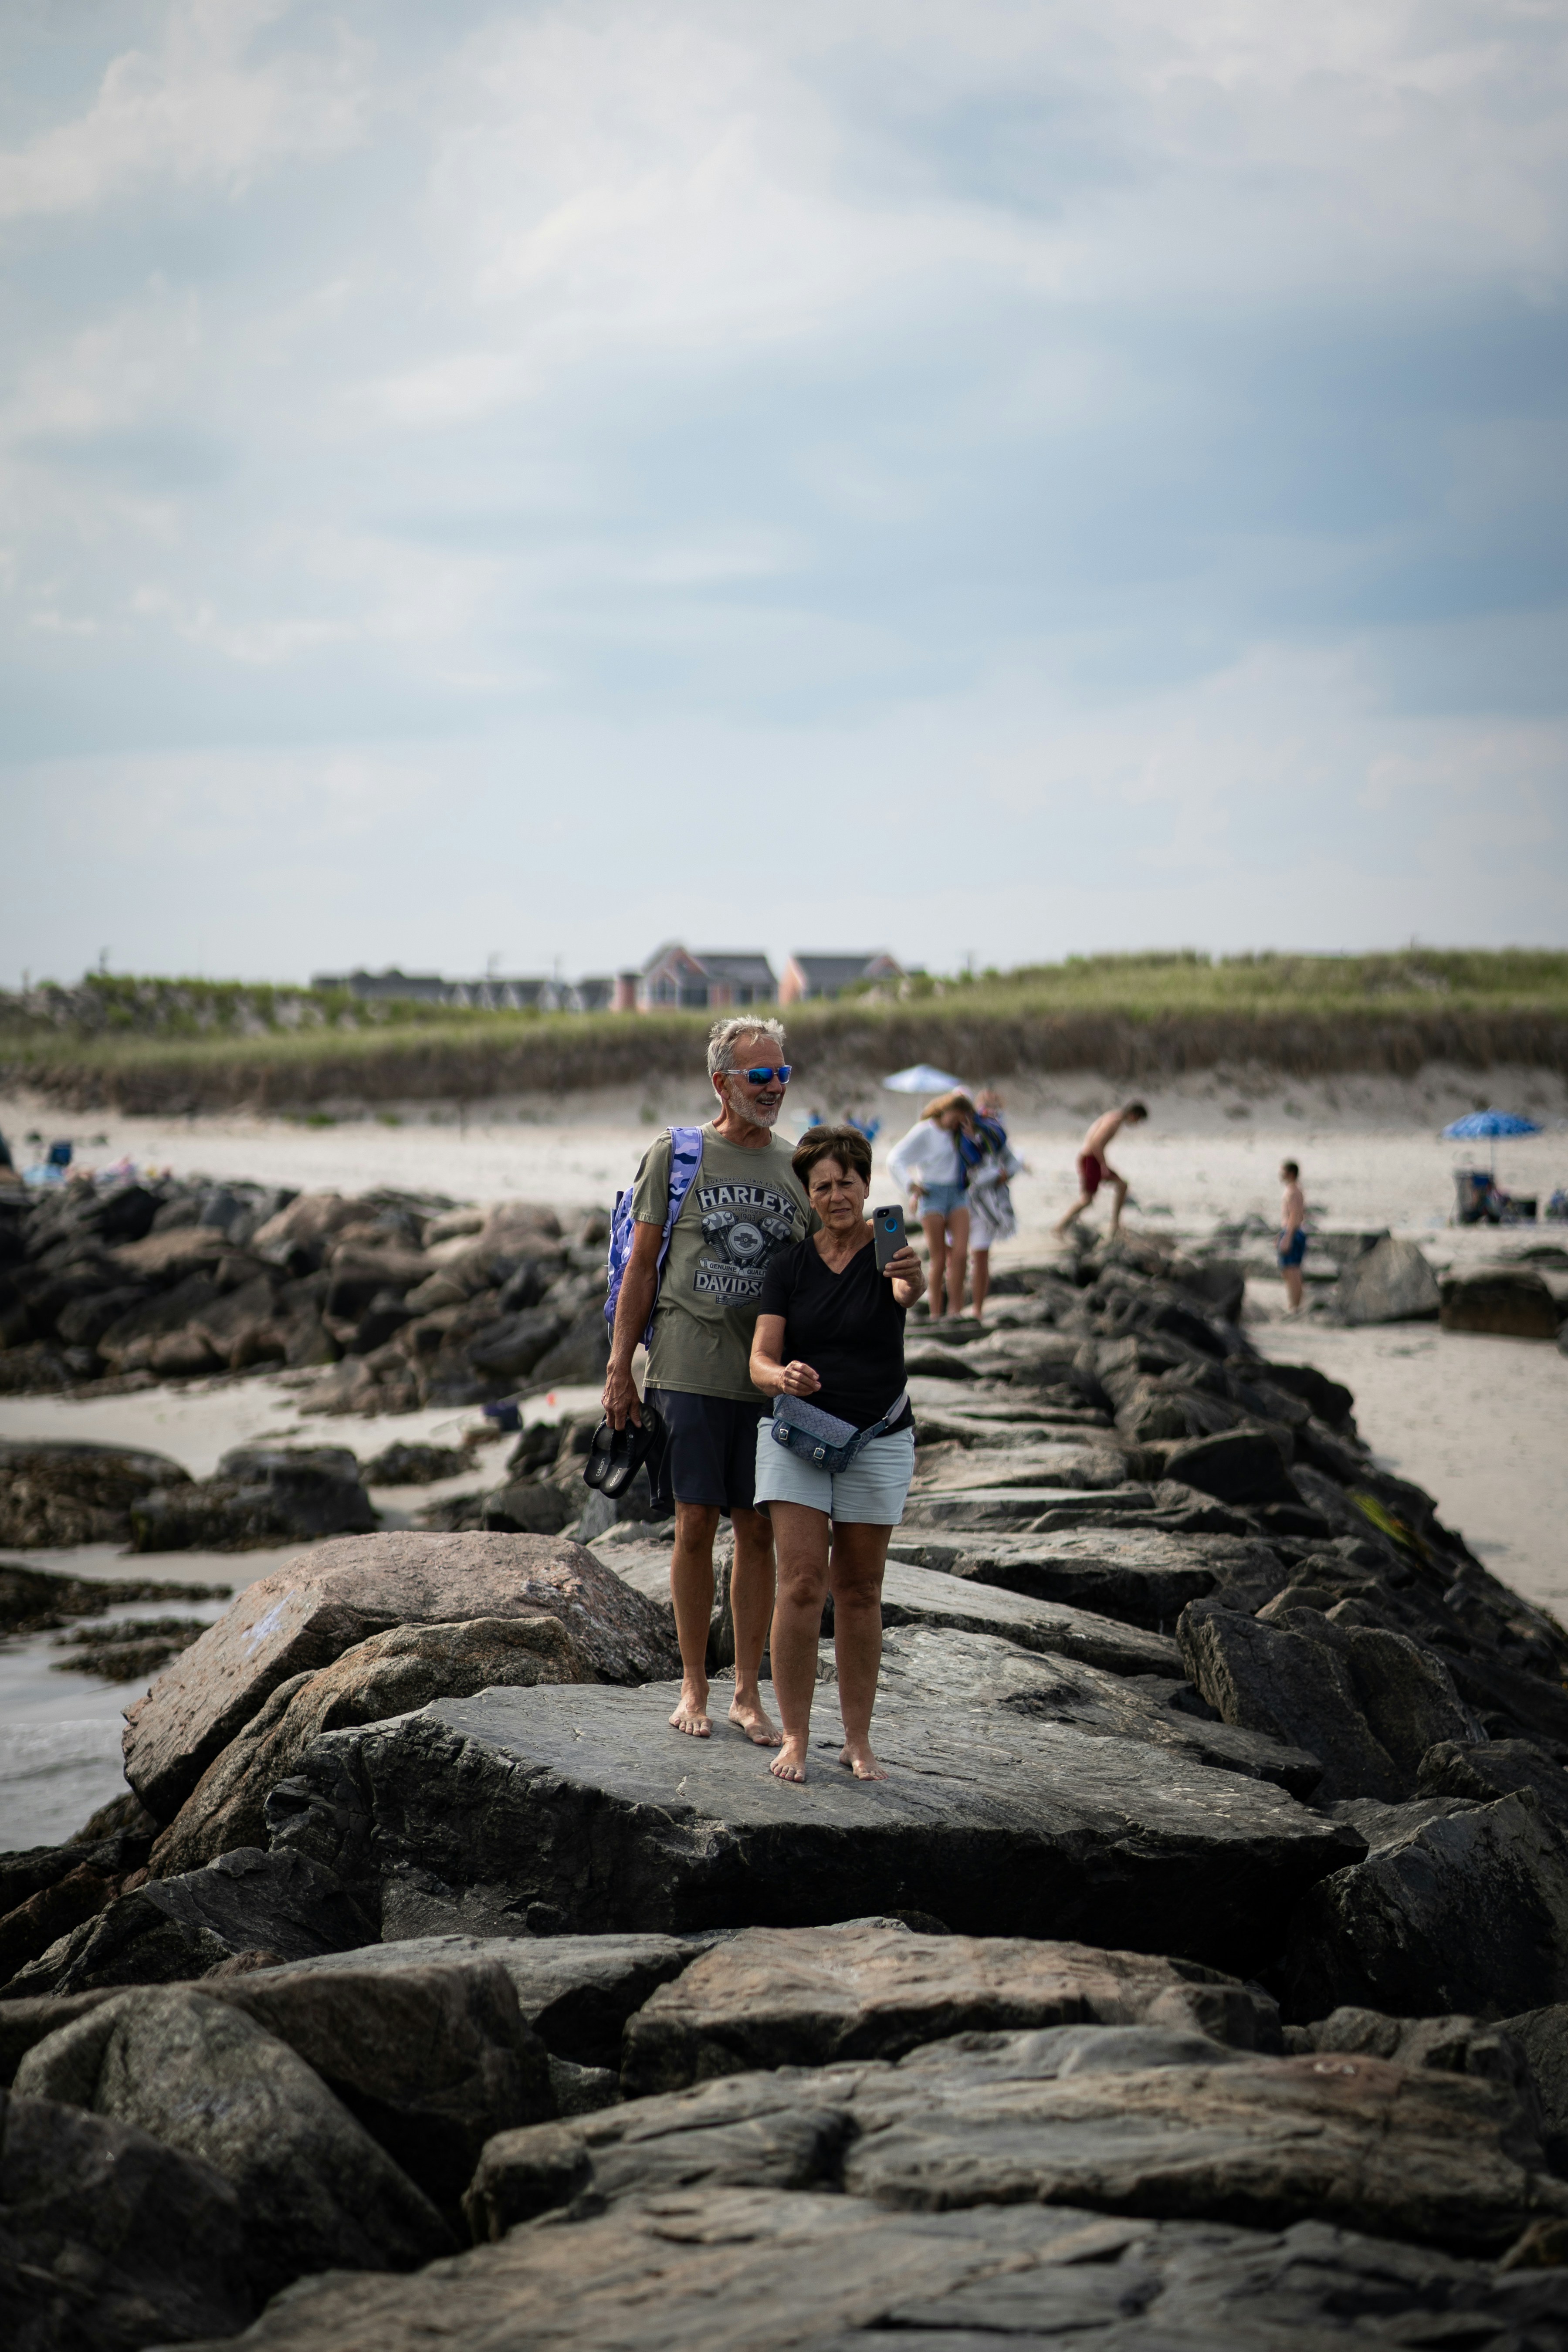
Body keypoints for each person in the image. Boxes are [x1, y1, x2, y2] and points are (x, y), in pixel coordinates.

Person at [603, 1017, 814, 1744]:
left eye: (783, 1073)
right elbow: (640, 1264)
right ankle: (693, 1683)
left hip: (767, 1381)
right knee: (694, 1522)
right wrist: (618, 1369)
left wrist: (898, 1267)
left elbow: (842, 1255)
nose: (775, 1087)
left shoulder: (799, 1164)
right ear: (721, 1081)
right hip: (687, 1370)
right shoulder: (677, 1155)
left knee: (756, 1529)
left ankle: (746, 1692)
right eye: (760, 1076)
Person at [749, 1126, 925, 1783]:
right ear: (809, 1195)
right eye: (821, 1185)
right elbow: (758, 1359)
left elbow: (910, 1292)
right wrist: (780, 1376)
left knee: (858, 1589)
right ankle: (794, 1735)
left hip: (877, 1437)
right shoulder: (788, 1266)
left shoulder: (888, 1245)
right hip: (797, 1434)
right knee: (799, 1582)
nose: (835, 1193)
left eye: (846, 1180)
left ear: (866, 1184)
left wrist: (911, 1277)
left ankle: (857, 1741)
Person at [887, 1089, 975, 1319]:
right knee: (939, 1258)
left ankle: (956, 1310)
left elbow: (978, 1158)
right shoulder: (926, 1130)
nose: (958, 1122)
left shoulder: (961, 1134)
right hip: (932, 1193)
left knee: (961, 1254)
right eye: (957, 1117)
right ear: (947, 1111)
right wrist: (910, 1185)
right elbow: (895, 1158)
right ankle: (937, 1312)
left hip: (957, 1193)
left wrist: (972, 1134)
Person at [960, 1089, 1024, 1320]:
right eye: (986, 1105)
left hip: (988, 1204)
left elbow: (1014, 1161)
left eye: (995, 1106)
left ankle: (977, 1310)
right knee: (955, 1256)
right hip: (963, 1201)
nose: (990, 1110)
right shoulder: (956, 1135)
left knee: (980, 1256)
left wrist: (1003, 1174)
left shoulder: (996, 1136)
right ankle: (954, 1308)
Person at [1053, 1102, 1148, 1236]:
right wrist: (1104, 1165)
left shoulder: (1113, 1117)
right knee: (1088, 1199)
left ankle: (1115, 1225)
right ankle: (1060, 1227)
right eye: (1138, 1120)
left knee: (1122, 1186)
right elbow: (1096, 1144)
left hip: (1091, 1159)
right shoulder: (1114, 1122)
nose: (1136, 1124)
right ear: (1134, 1115)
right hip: (1091, 1160)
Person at [1278, 1160, 1307, 1313]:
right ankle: (1294, 1305)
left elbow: (1295, 1215)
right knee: (1288, 1270)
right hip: (1291, 1231)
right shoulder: (1292, 1190)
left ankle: (1295, 1306)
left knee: (1292, 1270)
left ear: (1290, 1173)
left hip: (1293, 1232)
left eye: (1283, 1172)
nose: (1281, 1175)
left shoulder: (1294, 1191)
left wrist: (1288, 1237)